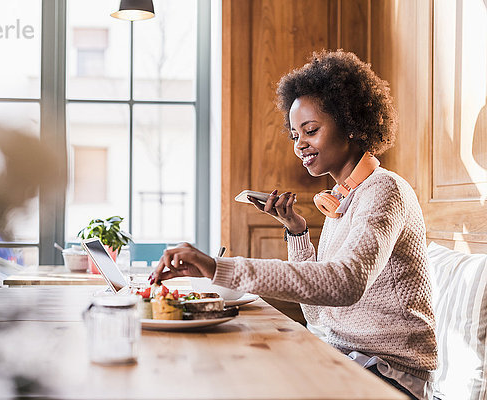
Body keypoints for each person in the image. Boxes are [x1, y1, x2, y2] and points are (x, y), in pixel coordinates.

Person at [150, 50, 437, 400]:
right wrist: (297, 231)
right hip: (347, 359)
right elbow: (319, 311)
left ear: (351, 124)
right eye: (294, 135)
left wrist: (217, 267)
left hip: (389, 376)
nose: (300, 144)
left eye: (311, 130)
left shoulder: (385, 191)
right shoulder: (343, 199)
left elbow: (345, 283)